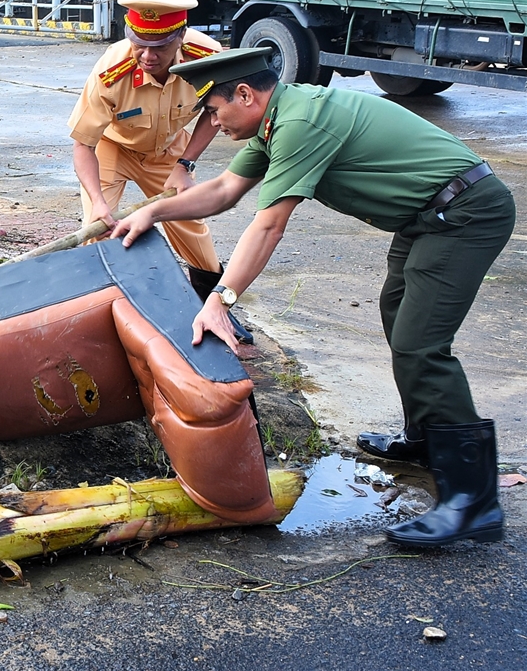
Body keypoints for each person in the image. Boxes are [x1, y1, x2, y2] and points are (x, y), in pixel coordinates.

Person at [112, 47, 515, 547]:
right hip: (426, 218)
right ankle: (427, 440)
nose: (213, 123)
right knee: (400, 317)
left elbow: (269, 223)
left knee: (420, 343)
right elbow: (222, 191)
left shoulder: (300, 123)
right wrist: (152, 213)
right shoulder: (276, 120)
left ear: (245, 94)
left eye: (214, 111)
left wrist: (220, 299)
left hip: (465, 213)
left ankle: (472, 503)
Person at [68, 0, 229, 298]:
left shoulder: (206, 58)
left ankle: (212, 303)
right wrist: (99, 201)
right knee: (98, 228)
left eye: (159, 46)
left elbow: (214, 111)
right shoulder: (111, 71)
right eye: (139, 44)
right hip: (113, 149)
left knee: (190, 224)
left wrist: (185, 164)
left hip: (170, 151)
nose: (147, 56)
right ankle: (100, 304)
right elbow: (82, 145)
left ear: (181, 36)